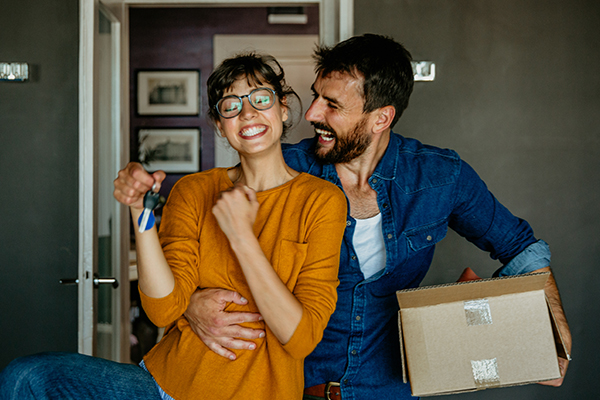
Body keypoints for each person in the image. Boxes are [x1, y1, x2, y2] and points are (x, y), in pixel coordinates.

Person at [184, 34, 572, 399]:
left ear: (380, 118)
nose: (313, 113)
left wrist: (557, 341)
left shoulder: (439, 176)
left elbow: (521, 248)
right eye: (317, 96)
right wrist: (190, 304)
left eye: (332, 105)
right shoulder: (284, 169)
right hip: (289, 388)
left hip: (392, 390)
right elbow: (196, 248)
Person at [0, 53, 347, 400]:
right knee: (26, 377)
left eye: (260, 98)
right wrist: (141, 212)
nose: (247, 113)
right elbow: (163, 308)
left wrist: (242, 237)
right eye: (230, 105)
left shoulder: (321, 200)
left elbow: (300, 338)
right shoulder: (193, 191)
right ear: (219, 124)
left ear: (283, 108)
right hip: (163, 385)